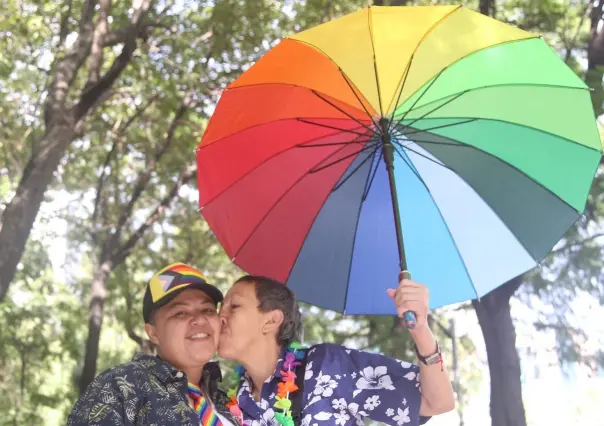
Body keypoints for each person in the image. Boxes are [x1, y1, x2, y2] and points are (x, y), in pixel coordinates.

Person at [218, 273, 455, 426]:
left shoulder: (326, 366)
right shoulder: (233, 405)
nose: (220, 316)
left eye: (234, 306)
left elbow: (437, 401)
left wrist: (421, 328)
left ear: (270, 321)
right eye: (220, 308)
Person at [67, 262, 236, 426]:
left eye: (207, 310)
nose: (199, 319)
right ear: (153, 333)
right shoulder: (122, 386)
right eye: (181, 313)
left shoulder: (227, 403)